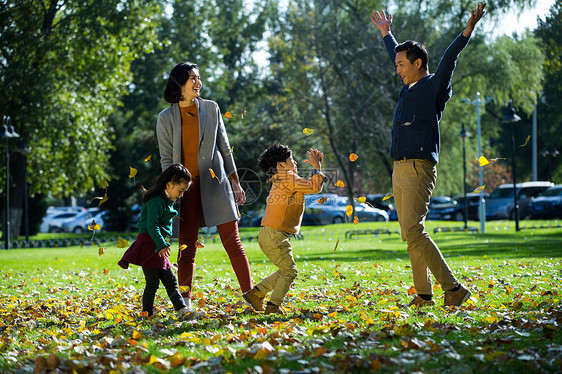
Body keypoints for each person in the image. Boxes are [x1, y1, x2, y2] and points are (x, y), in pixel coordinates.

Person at [371, 3, 486, 307]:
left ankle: (454, 288)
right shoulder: (407, 85)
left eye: (401, 64)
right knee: (410, 234)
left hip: (419, 166)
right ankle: (423, 294)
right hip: (400, 167)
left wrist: (467, 30)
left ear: (418, 63)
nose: (397, 68)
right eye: (396, 64)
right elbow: (395, 53)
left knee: (414, 231)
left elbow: (449, 57)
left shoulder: (433, 86)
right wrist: (387, 34)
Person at [156, 62, 254, 311]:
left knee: (233, 242)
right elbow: (166, 159)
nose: (198, 83)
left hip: (216, 183)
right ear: (180, 83)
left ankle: (251, 295)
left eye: (199, 78)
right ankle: (184, 304)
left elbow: (224, 146)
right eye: (192, 78)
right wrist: (170, 193)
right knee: (186, 248)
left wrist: (235, 182)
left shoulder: (212, 108)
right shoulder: (165, 118)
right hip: (183, 191)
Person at [243, 144, 326, 315]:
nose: (295, 162)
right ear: (281, 165)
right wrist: (317, 167)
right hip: (275, 234)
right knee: (290, 271)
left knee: (286, 270)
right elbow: (314, 187)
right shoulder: (287, 176)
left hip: (270, 233)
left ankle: (256, 293)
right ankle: (273, 307)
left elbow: (309, 187)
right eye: (291, 160)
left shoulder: (282, 178)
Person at [118, 164, 192, 317]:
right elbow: (152, 226)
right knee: (152, 283)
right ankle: (147, 312)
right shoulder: (156, 202)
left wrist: (161, 244)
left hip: (157, 245)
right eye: (180, 191)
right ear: (169, 184)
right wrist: (161, 244)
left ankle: (181, 309)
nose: (182, 195)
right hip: (148, 245)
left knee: (170, 280)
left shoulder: (167, 200)